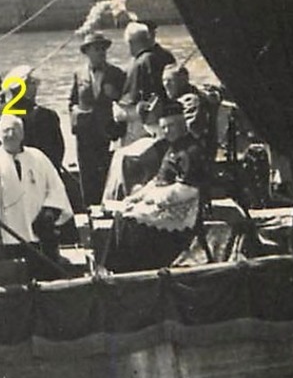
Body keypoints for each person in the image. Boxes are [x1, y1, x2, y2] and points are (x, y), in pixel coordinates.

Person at [105, 100, 207, 274]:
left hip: (183, 209)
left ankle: (137, 269)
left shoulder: (191, 151)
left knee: (130, 219)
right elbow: (158, 180)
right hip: (165, 200)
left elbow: (188, 190)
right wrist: (137, 197)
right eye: (164, 127)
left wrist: (153, 198)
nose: (167, 131)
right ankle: (116, 270)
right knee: (123, 213)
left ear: (183, 124)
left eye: (171, 126)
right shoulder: (172, 148)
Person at [0, 115, 71, 276]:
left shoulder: (38, 157)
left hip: (36, 231)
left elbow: (56, 188)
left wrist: (49, 212)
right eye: (6, 131)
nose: (11, 134)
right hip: (7, 233)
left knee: (44, 272)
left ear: (22, 134)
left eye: (15, 130)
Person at [67, 30, 126, 209]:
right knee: (86, 173)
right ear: (87, 52)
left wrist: (114, 96)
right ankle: (89, 211)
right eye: (97, 49)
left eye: (103, 49)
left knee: (108, 174)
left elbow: (126, 102)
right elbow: (71, 102)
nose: (101, 52)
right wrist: (76, 119)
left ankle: (107, 208)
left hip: (106, 133)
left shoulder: (116, 73)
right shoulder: (79, 74)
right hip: (85, 134)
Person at [121, 22, 177, 119]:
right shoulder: (164, 55)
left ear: (131, 43)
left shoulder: (142, 61)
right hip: (166, 111)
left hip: (147, 115)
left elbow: (137, 93)